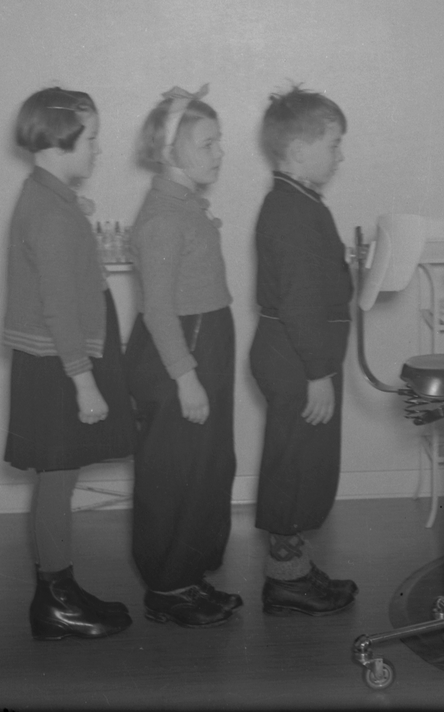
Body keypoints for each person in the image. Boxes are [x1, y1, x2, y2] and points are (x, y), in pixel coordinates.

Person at [3, 88, 135, 639]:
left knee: (59, 478)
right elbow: (58, 308)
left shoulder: (47, 197)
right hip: (59, 366)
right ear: (60, 143)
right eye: (91, 139)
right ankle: (54, 601)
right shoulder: (52, 214)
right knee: (58, 479)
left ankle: (59, 589)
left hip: (54, 360)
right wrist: (84, 383)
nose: (98, 149)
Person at [125, 86, 241, 628]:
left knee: (207, 467)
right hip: (180, 355)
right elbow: (157, 310)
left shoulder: (185, 206)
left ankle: (188, 575)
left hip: (202, 345)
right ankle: (168, 587)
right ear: (171, 152)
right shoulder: (162, 219)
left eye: (219, 141)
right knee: (175, 473)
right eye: (206, 144)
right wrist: (186, 377)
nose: (219, 152)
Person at [249, 85, 358, 616]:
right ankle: (286, 581)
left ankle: (291, 571)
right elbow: (298, 300)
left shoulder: (300, 201)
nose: (340, 156)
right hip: (297, 358)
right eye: (333, 144)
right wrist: (319, 372)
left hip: (300, 354)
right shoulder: (291, 210)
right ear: (298, 149)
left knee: (303, 462)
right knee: (294, 467)